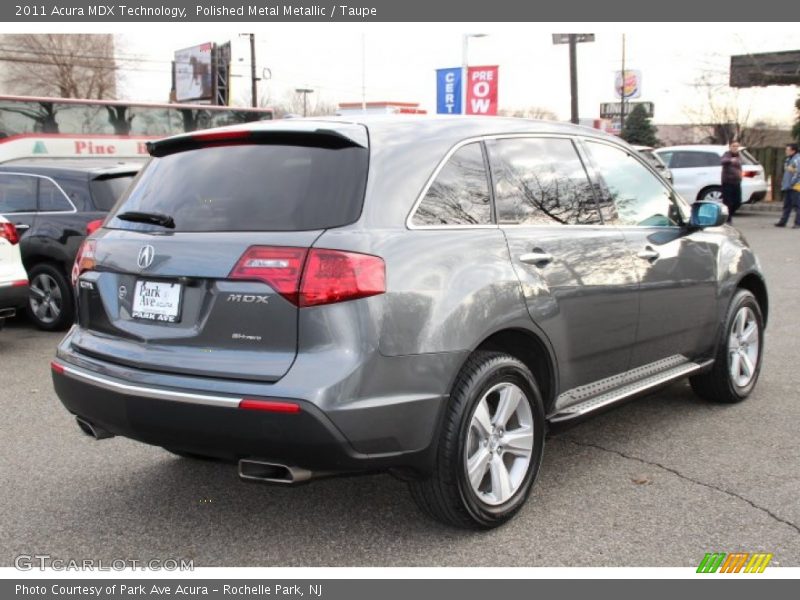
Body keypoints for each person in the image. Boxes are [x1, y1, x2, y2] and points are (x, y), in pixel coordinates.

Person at [775, 143, 800, 228]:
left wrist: (793, 182)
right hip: (788, 185)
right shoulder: (788, 160)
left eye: (787, 150)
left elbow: (798, 173)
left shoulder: (797, 159)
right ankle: (783, 221)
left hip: (796, 186)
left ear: (793, 150)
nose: (786, 151)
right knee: (787, 205)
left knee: (797, 205)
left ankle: (798, 223)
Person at [720, 141, 743, 224]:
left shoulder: (739, 155)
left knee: (738, 201)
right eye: (733, 146)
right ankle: (727, 219)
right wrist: (731, 160)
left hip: (736, 182)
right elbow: (723, 161)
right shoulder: (727, 154)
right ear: (730, 147)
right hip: (727, 182)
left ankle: (729, 214)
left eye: (737, 146)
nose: (735, 148)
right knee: (727, 202)